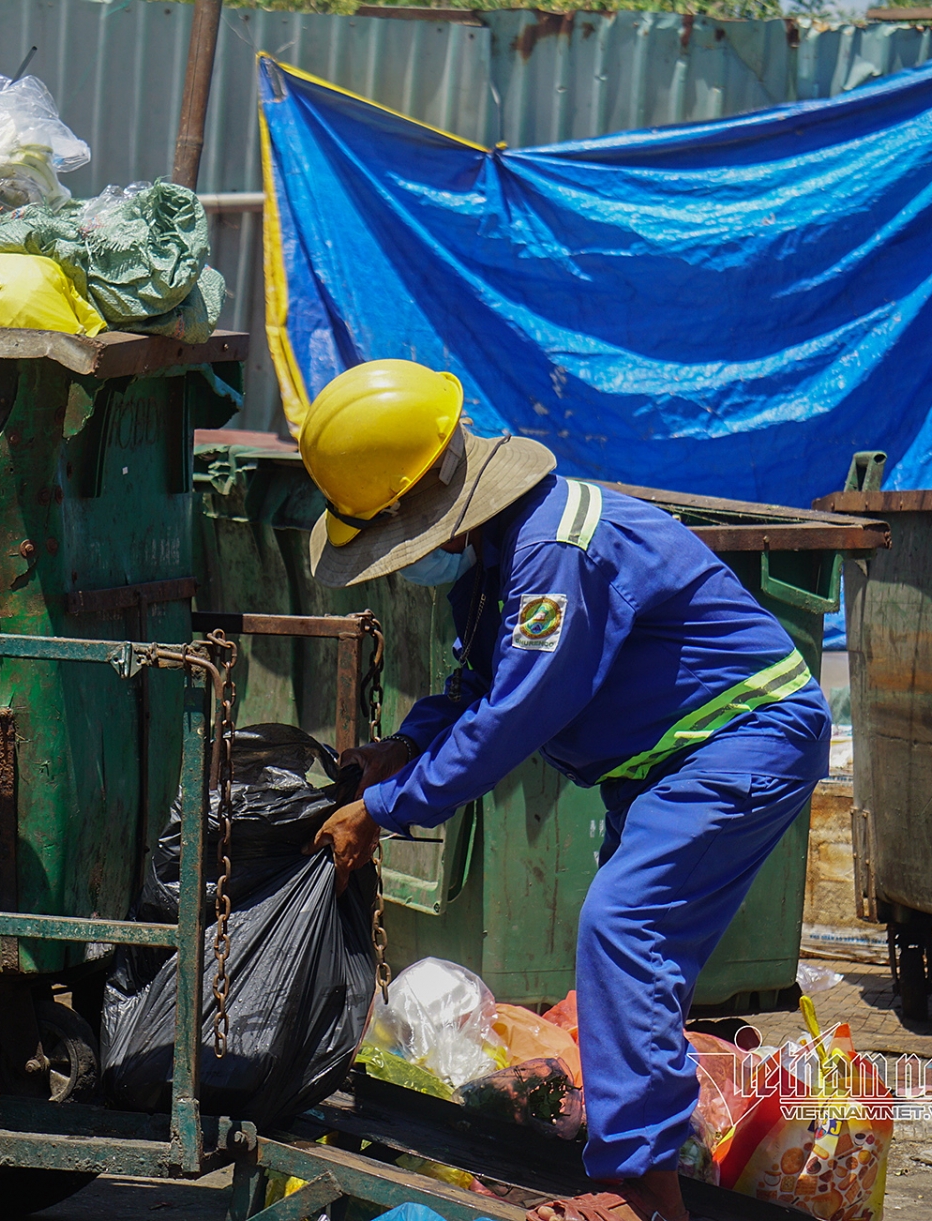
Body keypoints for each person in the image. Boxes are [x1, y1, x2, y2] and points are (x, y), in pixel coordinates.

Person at [300, 360, 830, 1221]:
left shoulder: (554, 552)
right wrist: (399, 748)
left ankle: (642, 1193)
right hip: (666, 763)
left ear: (429, 506)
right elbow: (480, 684)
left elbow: (518, 713)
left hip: (739, 739)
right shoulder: (499, 552)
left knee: (622, 926)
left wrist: (385, 809)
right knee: (630, 960)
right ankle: (651, 1157)